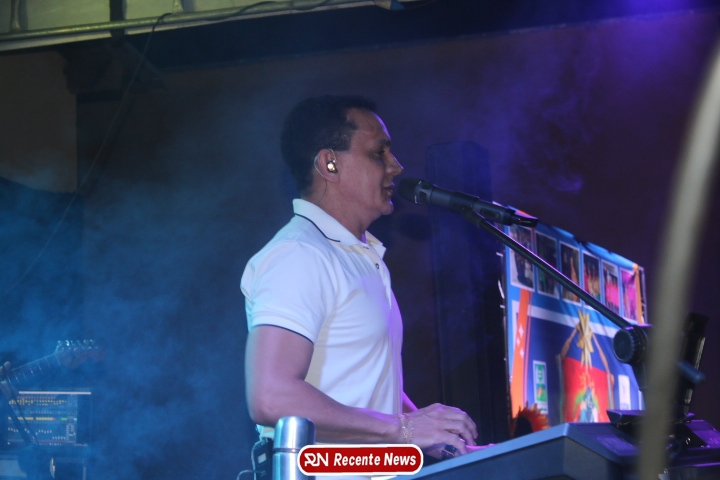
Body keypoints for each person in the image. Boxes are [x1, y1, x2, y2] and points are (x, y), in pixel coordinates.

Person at [241, 95, 479, 477]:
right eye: (379, 153)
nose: (396, 166)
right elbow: (271, 396)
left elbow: (366, 387)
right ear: (329, 164)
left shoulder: (356, 254)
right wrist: (404, 429)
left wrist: (441, 438)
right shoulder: (300, 254)